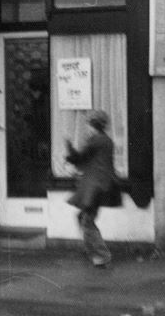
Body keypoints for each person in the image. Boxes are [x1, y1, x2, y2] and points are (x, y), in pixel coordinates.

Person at [64, 109, 119, 267]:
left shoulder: (96, 140)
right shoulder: (106, 140)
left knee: (86, 221)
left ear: (93, 125)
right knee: (83, 218)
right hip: (102, 186)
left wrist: (68, 147)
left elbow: (79, 157)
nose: (87, 128)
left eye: (88, 124)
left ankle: (101, 255)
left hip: (95, 188)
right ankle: (91, 250)